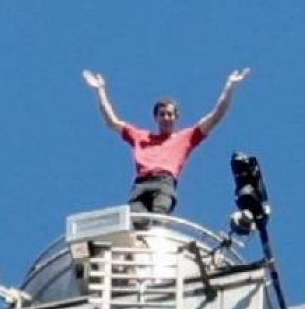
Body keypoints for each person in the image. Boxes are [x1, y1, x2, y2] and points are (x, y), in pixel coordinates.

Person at [83, 68, 251, 215]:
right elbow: (111, 121)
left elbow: (216, 116)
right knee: (134, 223)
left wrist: (230, 86)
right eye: (162, 114)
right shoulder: (140, 136)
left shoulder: (185, 138)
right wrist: (99, 90)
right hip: (140, 185)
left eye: (170, 114)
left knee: (158, 220)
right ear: (156, 118)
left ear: (176, 117)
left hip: (164, 182)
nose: (166, 118)